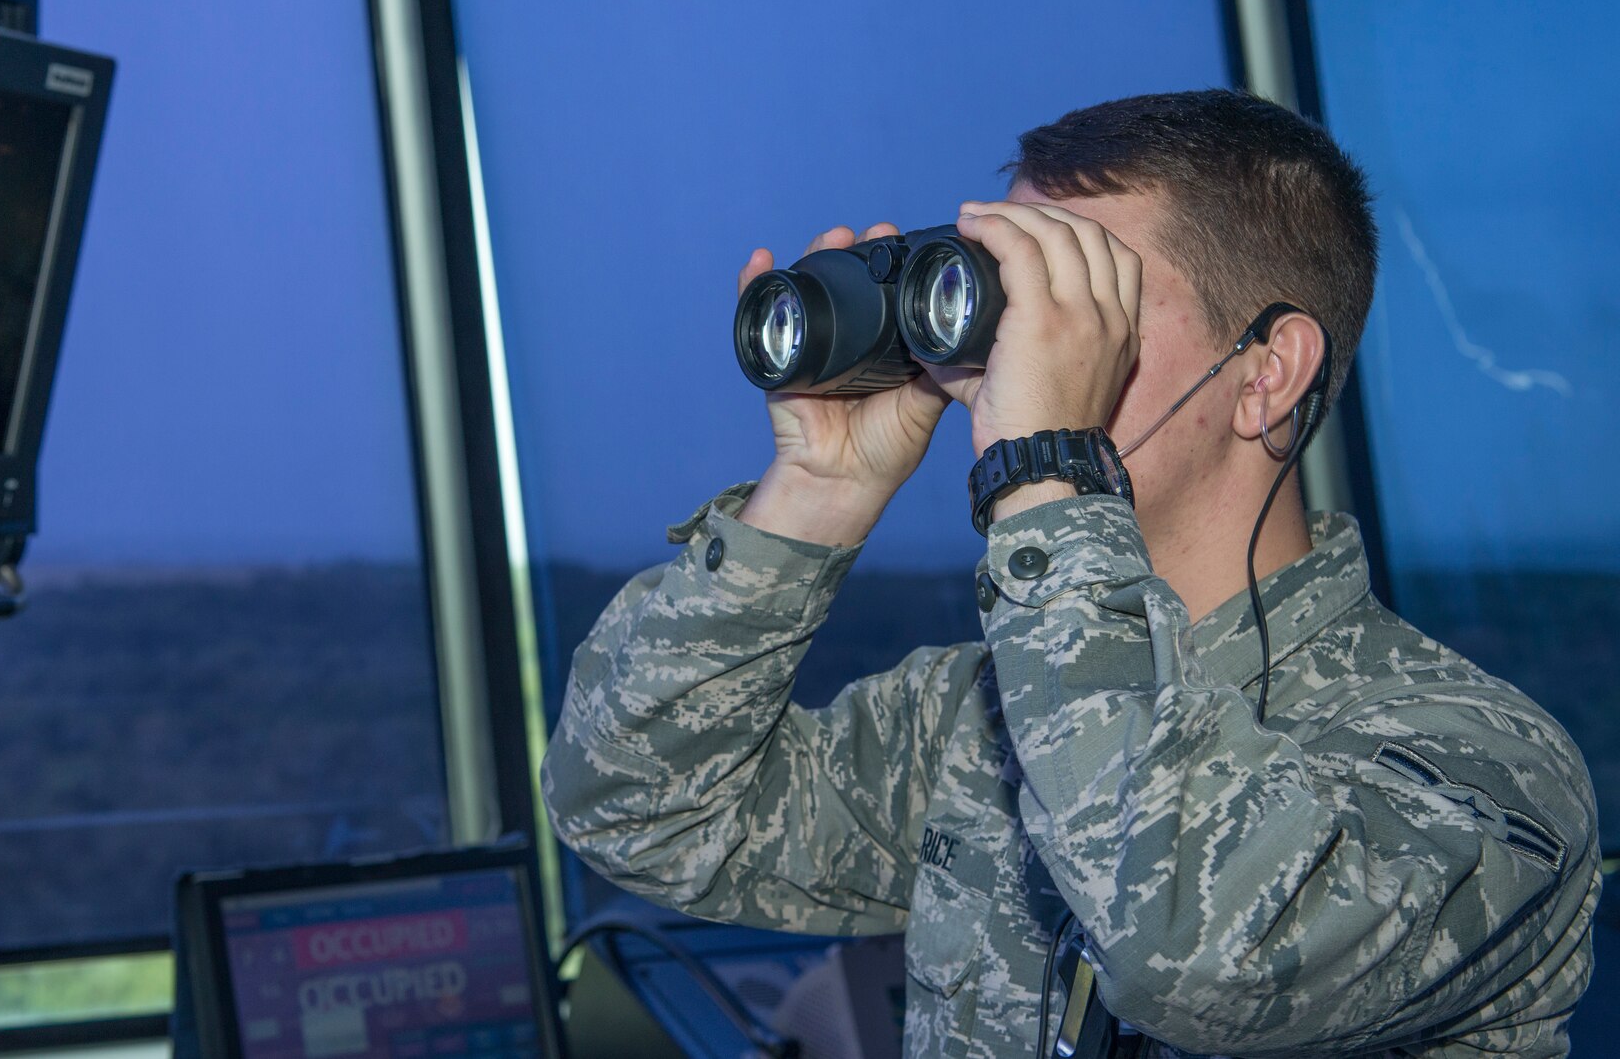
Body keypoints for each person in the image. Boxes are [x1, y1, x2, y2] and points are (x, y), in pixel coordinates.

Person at [542, 90, 1598, 1057]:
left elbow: (1203, 952)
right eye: (1019, 299)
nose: (1028, 350)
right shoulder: (979, 722)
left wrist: (1045, 464)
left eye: (1085, 305)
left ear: (1264, 376)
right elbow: (636, 809)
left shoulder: (1475, 771)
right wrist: (818, 493)